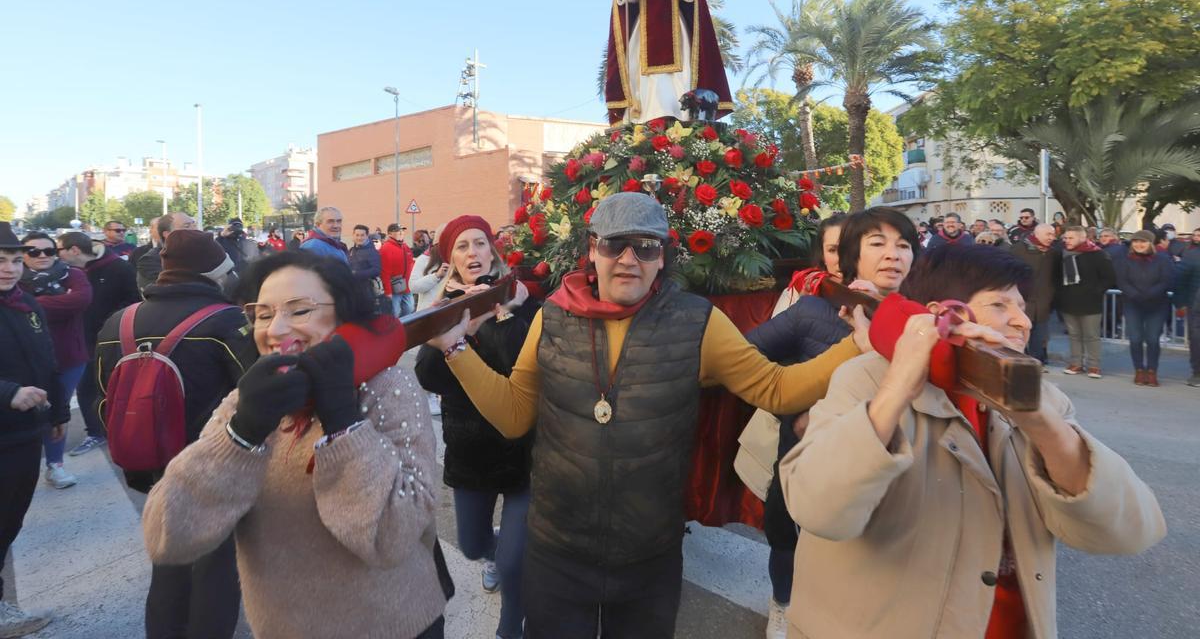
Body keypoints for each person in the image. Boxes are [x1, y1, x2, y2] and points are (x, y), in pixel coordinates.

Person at [425, 192, 872, 637]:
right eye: (613, 245)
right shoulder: (553, 317)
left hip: (648, 558)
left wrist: (856, 346)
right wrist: (456, 348)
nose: (628, 259)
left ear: (663, 257)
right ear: (591, 251)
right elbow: (514, 416)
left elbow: (773, 387)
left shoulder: (698, 321)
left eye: (646, 246)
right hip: (557, 552)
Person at [778, 243, 1167, 639]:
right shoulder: (867, 379)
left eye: (1021, 305)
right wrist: (896, 391)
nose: (1022, 322)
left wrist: (1042, 425)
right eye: (1000, 305)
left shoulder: (1042, 399)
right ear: (941, 316)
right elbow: (817, 508)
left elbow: (1130, 531)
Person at [141, 251, 446, 639]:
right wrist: (242, 434)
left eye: (299, 311)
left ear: (343, 317)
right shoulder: (243, 403)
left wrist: (344, 425)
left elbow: (391, 538)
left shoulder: (387, 389)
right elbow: (168, 537)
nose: (277, 330)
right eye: (264, 314)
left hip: (398, 624)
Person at [95, 229, 253, 639]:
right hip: (210, 468)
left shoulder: (119, 321)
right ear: (215, 272)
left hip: (147, 465)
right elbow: (252, 392)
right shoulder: (227, 320)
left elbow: (101, 400)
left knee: (168, 562)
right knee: (216, 569)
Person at [416, 216, 539, 639]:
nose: (472, 253)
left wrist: (506, 313)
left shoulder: (522, 298)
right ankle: (500, 549)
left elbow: (518, 367)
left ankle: (511, 626)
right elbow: (430, 378)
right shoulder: (442, 309)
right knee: (471, 545)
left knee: (512, 563)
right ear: (450, 258)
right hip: (470, 452)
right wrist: (466, 327)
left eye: (479, 244)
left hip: (524, 451)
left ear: (493, 251)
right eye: (462, 247)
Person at [743, 213, 858, 639]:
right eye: (834, 249)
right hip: (798, 451)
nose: (844, 259)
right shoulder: (807, 305)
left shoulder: (902, 310)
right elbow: (746, 354)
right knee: (785, 531)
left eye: (854, 247)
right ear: (822, 256)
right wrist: (792, 395)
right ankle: (782, 603)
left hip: (864, 454)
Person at [0, 222, 68, 637]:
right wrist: (7, 392)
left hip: (25, 433)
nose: (8, 269)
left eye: (12, 260)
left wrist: (58, 412)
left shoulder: (27, 304)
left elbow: (48, 359)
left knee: (9, 521)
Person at [604, 0, 733, 124]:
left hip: (676, 34)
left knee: (680, 74)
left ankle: (682, 116)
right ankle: (644, 118)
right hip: (644, 34)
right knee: (640, 74)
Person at [57, 231, 141, 457]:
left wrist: (110, 323)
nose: (56, 255)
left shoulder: (117, 267)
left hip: (112, 340)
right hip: (79, 340)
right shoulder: (64, 272)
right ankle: (95, 432)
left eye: (59, 250)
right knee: (85, 389)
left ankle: (127, 430)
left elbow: (134, 300)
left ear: (74, 250)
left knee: (117, 387)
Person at [19, 232, 92, 488]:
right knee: (24, 415)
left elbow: (80, 299)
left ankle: (55, 465)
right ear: (23, 254)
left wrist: (33, 304)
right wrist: (57, 301)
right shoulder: (13, 277)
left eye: (48, 251)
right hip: (25, 360)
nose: (42, 256)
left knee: (56, 411)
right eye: (33, 251)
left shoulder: (73, 274)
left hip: (68, 357)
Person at [1114, 230, 1175, 387]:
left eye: (1143, 242)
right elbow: (1122, 281)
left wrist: (1150, 294)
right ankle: (1139, 370)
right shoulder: (1124, 260)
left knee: (1153, 339)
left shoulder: (1162, 259)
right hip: (1132, 304)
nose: (1139, 245)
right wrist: (1135, 294)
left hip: (1156, 305)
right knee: (1135, 339)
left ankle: (1152, 371)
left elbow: (1166, 279)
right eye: (1135, 242)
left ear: (1150, 243)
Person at [1056, 226, 1117, 379]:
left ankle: (1094, 366)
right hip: (1069, 301)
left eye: (1071, 238)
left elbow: (1109, 278)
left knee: (1091, 335)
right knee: (1074, 335)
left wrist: (1096, 291)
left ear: (1082, 238)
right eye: (1066, 238)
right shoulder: (1062, 254)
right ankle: (1076, 363)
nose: (1067, 241)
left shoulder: (1098, 254)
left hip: (1090, 302)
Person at [1009, 222, 1059, 363]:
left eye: (1053, 234)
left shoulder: (1053, 253)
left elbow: (1056, 276)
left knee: (1039, 335)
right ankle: (1020, 360)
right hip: (1022, 300)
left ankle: (1037, 361)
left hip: (1044, 301)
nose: (1052, 237)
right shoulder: (1018, 249)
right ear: (1037, 234)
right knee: (1021, 332)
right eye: (1048, 234)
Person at [136, 213, 198, 293]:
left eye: (194, 225)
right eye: (187, 226)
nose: (195, 229)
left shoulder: (204, 253)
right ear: (167, 234)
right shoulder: (150, 260)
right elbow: (174, 289)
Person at [1173, 236, 1200, 387]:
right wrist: (1180, 302)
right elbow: (1180, 279)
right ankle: (1198, 372)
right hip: (1196, 305)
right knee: (1197, 339)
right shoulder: (1193, 255)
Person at [380, 223, 415, 318]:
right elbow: (384, 272)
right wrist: (388, 292)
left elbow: (411, 262)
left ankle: (404, 326)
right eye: (398, 231)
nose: (401, 233)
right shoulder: (386, 249)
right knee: (394, 313)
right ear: (390, 234)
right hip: (394, 287)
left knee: (410, 308)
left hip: (407, 285)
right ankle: (393, 330)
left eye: (402, 231)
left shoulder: (405, 246)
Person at [348, 223, 385, 310]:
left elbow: (376, 270)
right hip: (353, 291)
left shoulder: (372, 251)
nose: (359, 238)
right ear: (353, 235)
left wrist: (356, 274)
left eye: (362, 235)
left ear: (367, 236)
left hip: (368, 292)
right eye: (357, 235)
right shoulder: (351, 250)